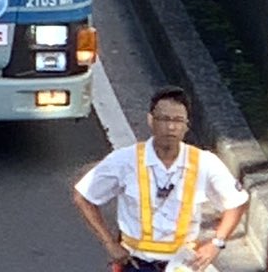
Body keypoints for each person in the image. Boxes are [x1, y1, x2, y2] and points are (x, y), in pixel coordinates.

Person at [73, 86, 247, 270]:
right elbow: (83, 196)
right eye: (164, 119)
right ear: (151, 120)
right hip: (135, 263)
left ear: (186, 125)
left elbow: (236, 202)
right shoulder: (124, 161)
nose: (171, 127)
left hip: (182, 264)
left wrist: (216, 243)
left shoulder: (205, 163)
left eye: (178, 120)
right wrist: (109, 243)